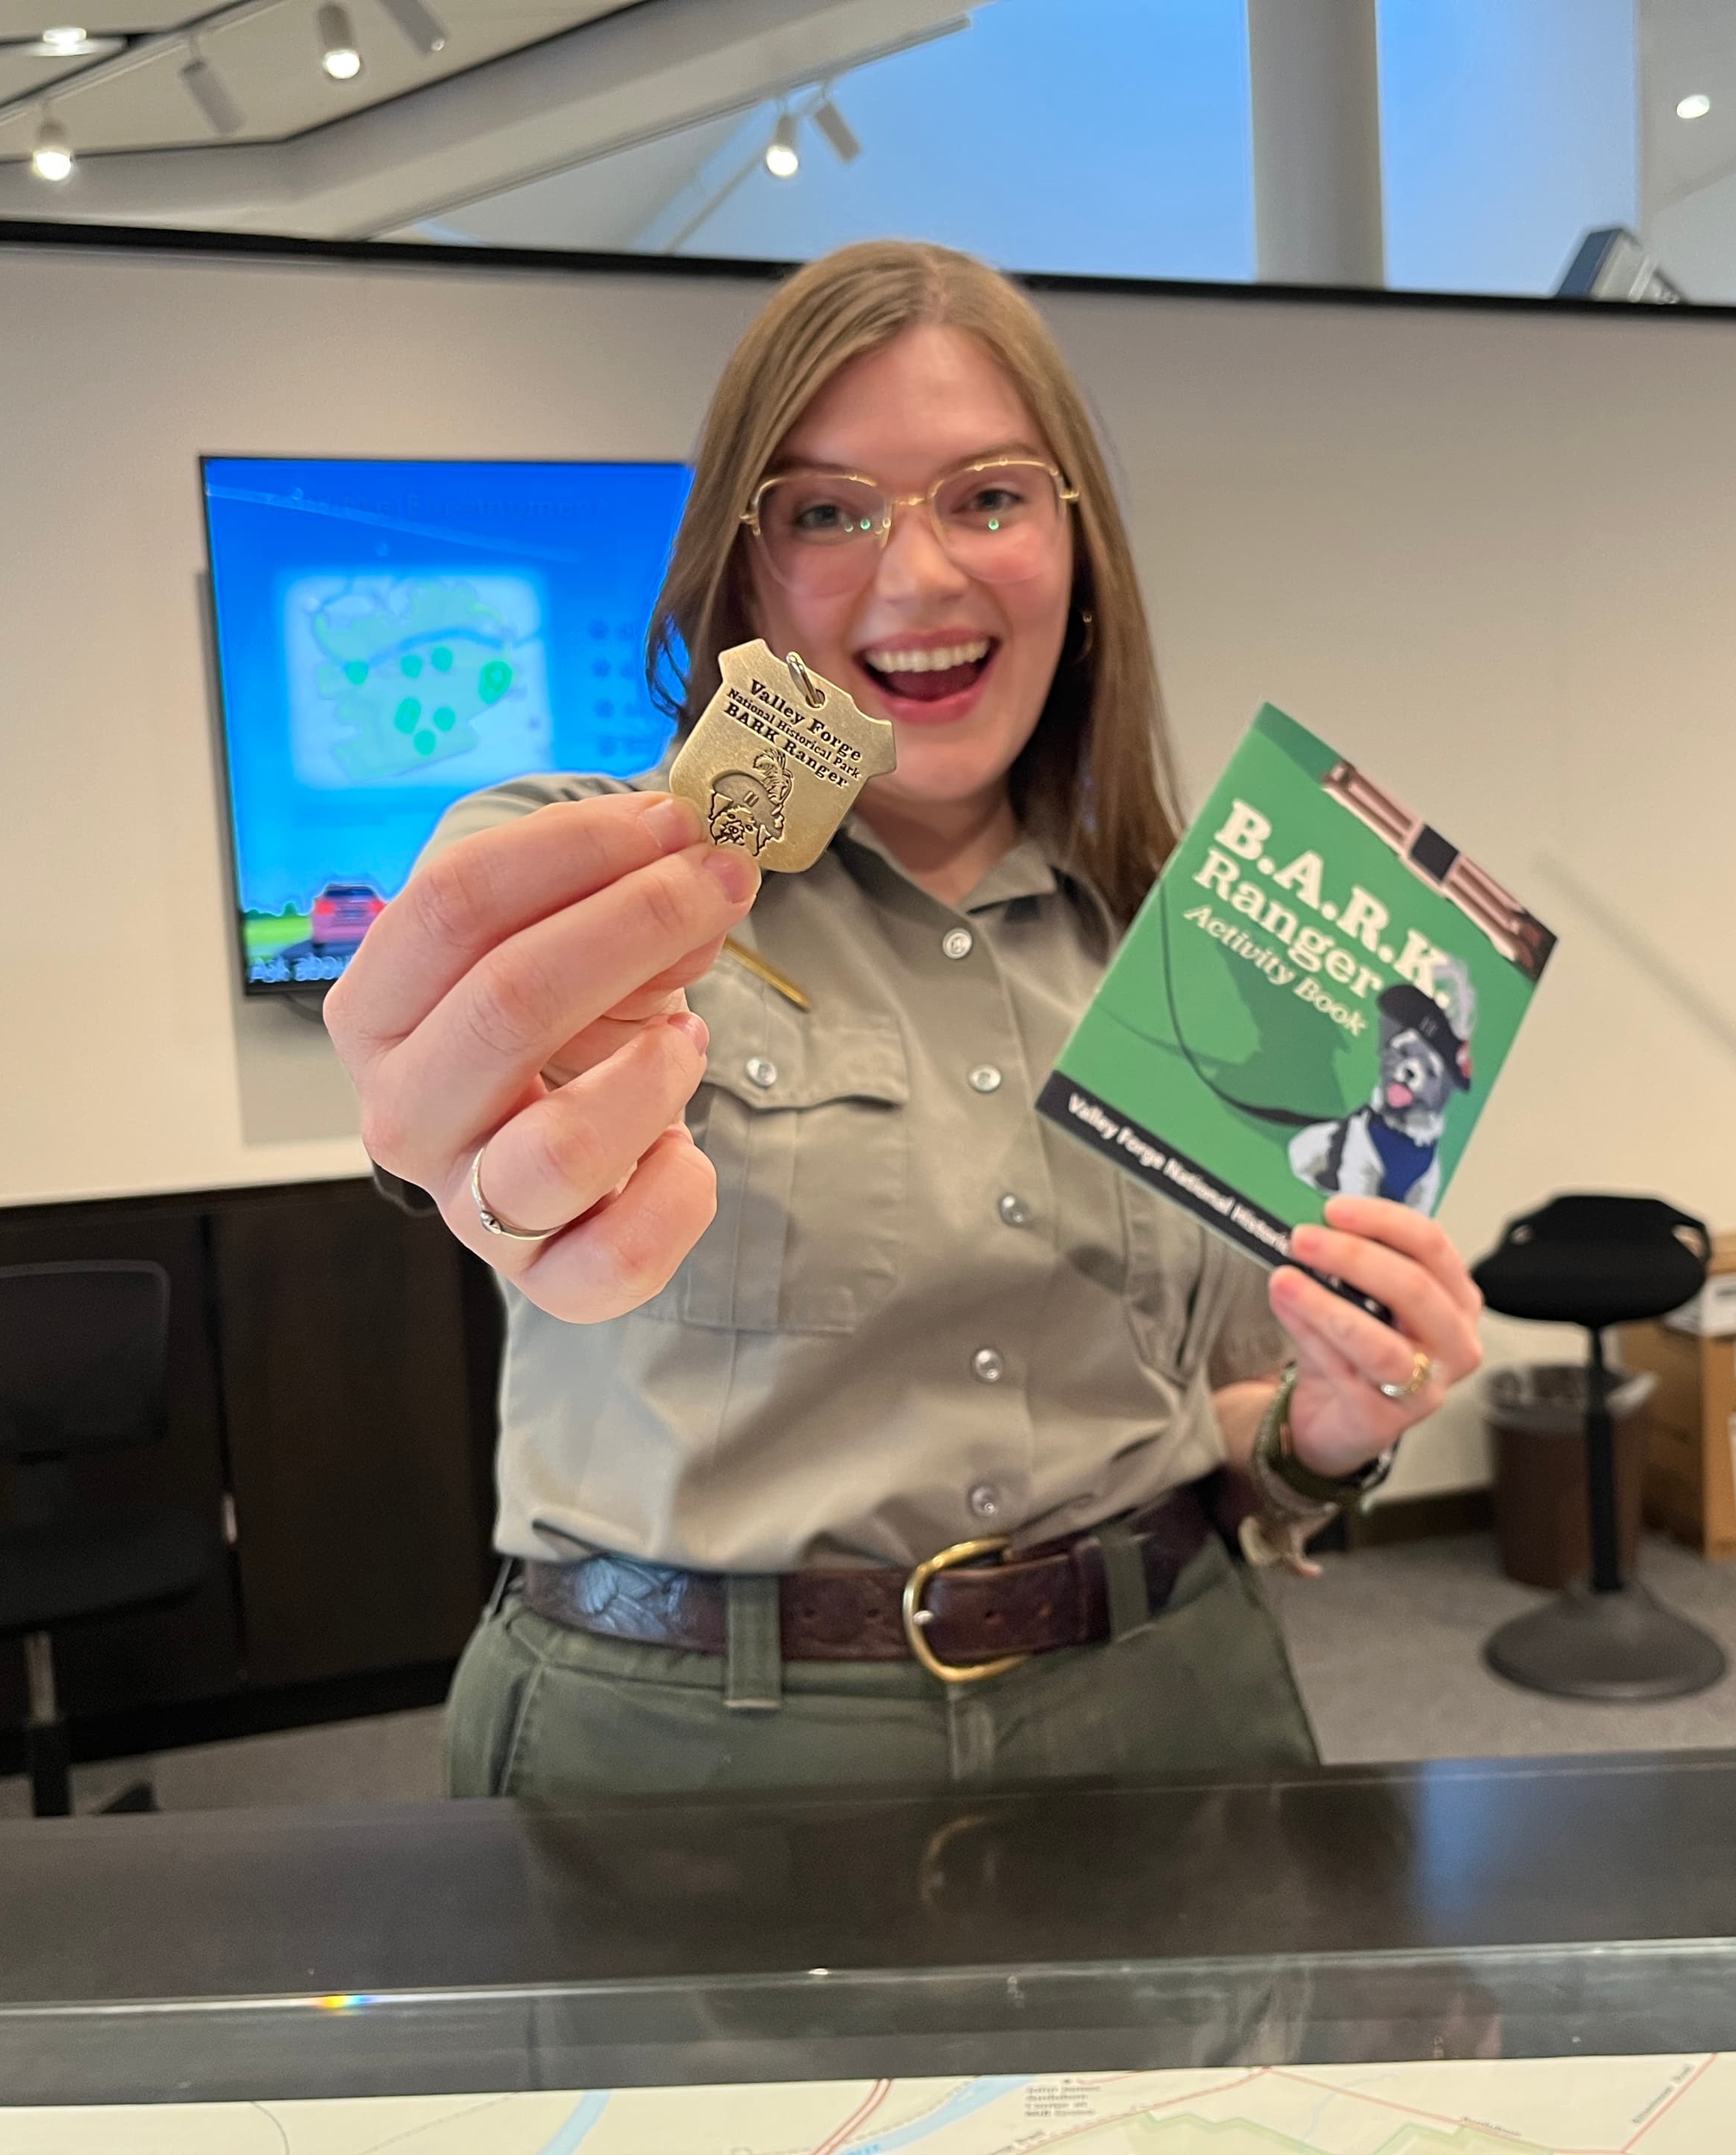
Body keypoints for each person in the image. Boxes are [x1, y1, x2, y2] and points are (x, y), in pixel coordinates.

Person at [325, 239, 1485, 1800]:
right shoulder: (603, 875)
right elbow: (456, 1080)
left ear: (1078, 552)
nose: (922, 576)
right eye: (828, 511)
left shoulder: (1185, 952)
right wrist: (466, 1131)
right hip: (684, 1763)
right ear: (744, 568)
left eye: (989, 498)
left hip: (1167, 1701)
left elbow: (1215, 1408)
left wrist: (1325, 1430)